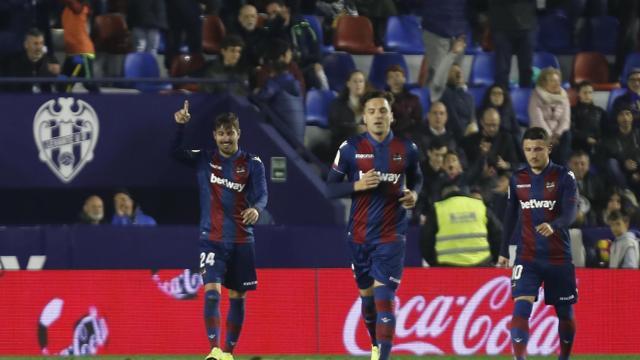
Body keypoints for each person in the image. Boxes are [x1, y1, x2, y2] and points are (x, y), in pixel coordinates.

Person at [326, 90, 423, 360]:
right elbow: (329, 189)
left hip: (392, 234)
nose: (378, 116)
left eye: (383, 111)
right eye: (372, 111)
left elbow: (417, 179)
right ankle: (375, 346)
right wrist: (356, 185)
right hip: (358, 235)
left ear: (391, 116)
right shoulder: (350, 148)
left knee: (384, 299)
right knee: (368, 302)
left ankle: (383, 356)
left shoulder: (407, 149)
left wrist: (414, 194)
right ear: (364, 118)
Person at [173, 102, 268, 360]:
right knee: (212, 293)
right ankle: (214, 350)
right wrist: (180, 126)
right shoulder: (204, 158)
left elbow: (262, 195)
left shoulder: (252, 163)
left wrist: (257, 210)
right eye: (222, 133)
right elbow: (175, 152)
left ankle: (228, 352)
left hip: (241, 239)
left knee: (238, 297)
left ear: (239, 133)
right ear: (215, 136)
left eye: (231, 132)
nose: (226, 138)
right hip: (211, 239)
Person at [497, 127, 578, 360]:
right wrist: (503, 251)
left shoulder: (564, 177)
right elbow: (510, 216)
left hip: (558, 256)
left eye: (538, 149)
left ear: (549, 148)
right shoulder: (517, 179)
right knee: (521, 306)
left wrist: (556, 224)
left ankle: (564, 357)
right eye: (528, 150)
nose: (533, 154)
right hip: (527, 256)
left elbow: (571, 211)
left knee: (564, 312)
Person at [421, 184, 500, 267]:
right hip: (482, 264)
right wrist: (493, 260)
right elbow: (497, 234)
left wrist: (434, 263)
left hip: (448, 266)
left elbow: (426, 239)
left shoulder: (438, 208)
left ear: (443, 195)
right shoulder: (479, 205)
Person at [528, 67, 571, 165]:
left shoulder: (564, 96)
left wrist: (557, 135)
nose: (556, 83)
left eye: (557, 80)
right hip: (541, 133)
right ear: (543, 83)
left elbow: (565, 120)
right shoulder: (536, 95)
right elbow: (537, 119)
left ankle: (562, 168)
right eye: (552, 81)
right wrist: (549, 136)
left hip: (558, 136)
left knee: (567, 134)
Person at [1, 27, 60, 93]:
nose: (39, 47)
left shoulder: (49, 61)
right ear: (26, 45)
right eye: (35, 43)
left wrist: (54, 74)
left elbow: (52, 87)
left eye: (41, 43)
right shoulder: (14, 63)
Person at [61, 0, 99, 93]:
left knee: (88, 83)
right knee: (62, 85)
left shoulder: (80, 7)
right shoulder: (67, 9)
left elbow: (72, 4)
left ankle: (102, 104)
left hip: (83, 52)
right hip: (70, 54)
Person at [386, 64, 423, 140]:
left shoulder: (414, 99)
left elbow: (418, 122)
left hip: (409, 137)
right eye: (391, 77)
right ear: (388, 82)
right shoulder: (382, 100)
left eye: (398, 76)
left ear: (404, 79)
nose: (395, 79)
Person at [570, 81, 604, 154]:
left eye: (590, 92)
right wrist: (586, 138)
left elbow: (606, 129)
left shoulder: (600, 111)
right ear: (579, 94)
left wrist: (598, 140)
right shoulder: (572, 111)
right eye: (585, 92)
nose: (588, 95)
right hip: (578, 146)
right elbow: (571, 130)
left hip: (598, 146)